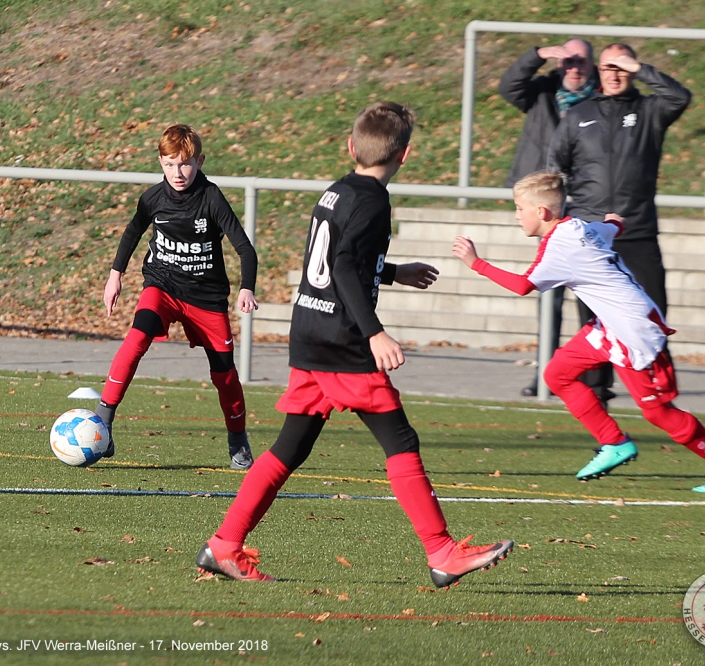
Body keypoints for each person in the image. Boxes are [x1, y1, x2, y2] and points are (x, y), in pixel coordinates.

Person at [195, 102, 514, 586]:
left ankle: (224, 545)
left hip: (310, 331)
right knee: (400, 440)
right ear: (405, 154)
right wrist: (374, 332)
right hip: (342, 342)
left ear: (351, 147)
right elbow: (342, 265)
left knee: (289, 447)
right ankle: (442, 552)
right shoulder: (374, 201)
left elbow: (337, 259)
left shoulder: (338, 190)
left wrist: (393, 271)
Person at [453, 171, 705, 493]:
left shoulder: (561, 246)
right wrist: (614, 222)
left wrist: (475, 263)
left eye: (519, 208)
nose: (516, 215)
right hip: (611, 325)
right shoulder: (579, 227)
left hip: (634, 330)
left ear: (541, 212)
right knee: (558, 374)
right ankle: (614, 443)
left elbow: (523, 285)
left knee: (658, 412)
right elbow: (611, 228)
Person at [95, 124, 259, 470]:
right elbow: (132, 231)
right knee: (136, 339)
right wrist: (115, 275)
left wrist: (247, 287)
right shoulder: (153, 198)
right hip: (162, 287)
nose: (177, 172)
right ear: (161, 162)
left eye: (184, 164)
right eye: (170, 164)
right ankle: (103, 424)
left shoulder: (211, 198)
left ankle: (238, 440)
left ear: (199, 161)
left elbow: (245, 249)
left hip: (206, 297)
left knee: (224, 374)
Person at [549, 42, 691, 407]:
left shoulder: (650, 110)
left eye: (621, 67)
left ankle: (660, 393)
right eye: (608, 67)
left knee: (652, 310)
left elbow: (680, 97)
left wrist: (639, 67)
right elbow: (556, 168)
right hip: (591, 234)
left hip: (637, 229)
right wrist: (570, 214)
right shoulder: (579, 114)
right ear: (599, 71)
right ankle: (596, 391)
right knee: (594, 317)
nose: (614, 74)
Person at [500, 39, 596, 397]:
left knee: (590, 295)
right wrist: (537, 55)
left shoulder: (602, 100)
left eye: (581, 61)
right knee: (549, 294)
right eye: (568, 61)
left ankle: (593, 377)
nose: (574, 68)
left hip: (586, 205)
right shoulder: (542, 92)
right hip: (548, 208)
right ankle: (547, 374)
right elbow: (508, 87)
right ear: (558, 64)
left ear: (592, 65)